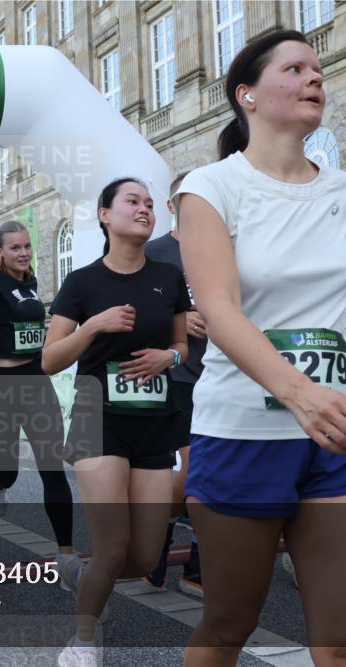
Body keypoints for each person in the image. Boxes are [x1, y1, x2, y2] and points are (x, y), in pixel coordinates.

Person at [176, 30, 346, 666]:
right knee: (228, 628)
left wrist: (326, 357)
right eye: (294, 68)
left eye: (318, 69)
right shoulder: (210, 187)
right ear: (248, 95)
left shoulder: (343, 192)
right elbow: (218, 309)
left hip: (338, 434)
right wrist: (299, 392)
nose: (314, 77)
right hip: (243, 433)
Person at [44, 177, 189, 666]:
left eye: (149, 203)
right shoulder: (83, 282)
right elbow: (49, 360)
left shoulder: (168, 279)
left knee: (146, 555)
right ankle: (83, 642)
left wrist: (167, 357)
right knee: (111, 545)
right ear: (105, 215)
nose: (144, 209)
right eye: (132, 201)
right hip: (95, 415)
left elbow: (182, 345)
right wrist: (92, 326)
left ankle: (82, 578)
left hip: (153, 418)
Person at [0, 220, 77, 574]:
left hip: (35, 378)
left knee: (52, 467)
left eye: (26, 246)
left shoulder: (31, 281)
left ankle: (66, 556)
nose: (23, 253)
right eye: (15, 248)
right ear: (0, 250)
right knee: (7, 469)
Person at [142, 173, 205, 597]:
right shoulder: (154, 253)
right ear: (172, 206)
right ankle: (159, 543)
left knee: (216, 475)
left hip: (223, 374)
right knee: (189, 477)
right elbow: (137, 316)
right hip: (176, 376)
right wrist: (179, 320)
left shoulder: (225, 248)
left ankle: (198, 568)